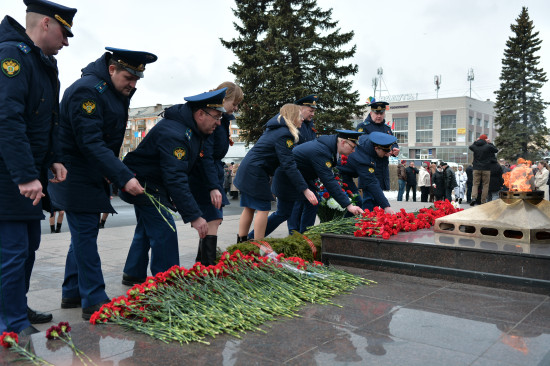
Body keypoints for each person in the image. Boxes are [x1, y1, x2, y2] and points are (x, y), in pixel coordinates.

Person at [48, 47, 157, 320]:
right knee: (85, 235)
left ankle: (72, 292)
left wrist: (110, 170)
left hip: (89, 172)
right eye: (129, 77)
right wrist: (123, 176)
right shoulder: (89, 92)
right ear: (111, 69)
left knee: (83, 235)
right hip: (74, 173)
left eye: (137, 79)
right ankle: (95, 300)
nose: (133, 85)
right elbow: (90, 142)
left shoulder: (111, 90)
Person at [0, 0, 76, 335]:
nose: (67, 41)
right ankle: (9, 322)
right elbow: (7, 119)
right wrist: (25, 175)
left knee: (28, 247)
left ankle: (16, 306)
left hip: (27, 174)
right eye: (64, 31)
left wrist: (54, 158)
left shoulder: (42, 63)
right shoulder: (12, 56)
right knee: (13, 251)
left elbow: (48, 121)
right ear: (46, 23)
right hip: (9, 176)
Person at [120, 88, 227, 281]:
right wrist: (195, 216)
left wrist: (211, 187)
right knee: (164, 230)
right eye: (216, 116)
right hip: (144, 184)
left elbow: (195, 164)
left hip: (153, 182)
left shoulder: (193, 130)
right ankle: (169, 283)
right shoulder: (176, 134)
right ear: (200, 114)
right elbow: (175, 177)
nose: (219, 123)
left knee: (147, 228)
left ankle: (133, 273)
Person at [234, 104, 317, 241]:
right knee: (263, 208)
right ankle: (259, 246)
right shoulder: (285, 134)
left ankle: (242, 242)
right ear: (292, 117)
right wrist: (305, 189)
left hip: (249, 169)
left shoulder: (276, 129)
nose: (302, 119)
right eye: (300, 116)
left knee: (249, 208)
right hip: (256, 172)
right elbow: (288, 164)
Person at [190, 82, 243, 266]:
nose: (236, 108)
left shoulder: (223, 119)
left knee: (214, 220)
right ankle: (207, 268)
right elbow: (206, 156)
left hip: (212, 173)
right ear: (224, 98)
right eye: (234, 103)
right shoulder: (215, 120)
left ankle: (201, 262)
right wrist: (213, 186)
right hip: (206, 176)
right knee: (213, 219)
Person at [271, 129, 364, 223]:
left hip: (302, 178)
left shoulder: (330, 147)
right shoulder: (323, 151)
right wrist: (349, 205)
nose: (353, 151)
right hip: (287, 178)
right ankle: (258, 235)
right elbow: (328, 180)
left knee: (312, 203)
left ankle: (304, 235)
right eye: (352, 147)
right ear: (343, 142)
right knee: (283, 213)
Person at [337, 132, 396, 213]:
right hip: (338, 175)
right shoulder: (364, 160)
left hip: (346, 175)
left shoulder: (368, 141)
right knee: (355, 204)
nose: (386, 155)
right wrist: (386, 206)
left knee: (356, 203)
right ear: (376, 148)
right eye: (385, 153)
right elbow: (372, 182)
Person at [286, 95, 319, 235]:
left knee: (312, 203)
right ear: (300, 108)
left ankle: (306, 233)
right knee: (296, 204)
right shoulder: (293, 124)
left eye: (313, 111)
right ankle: (294, 234)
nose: (312, 113)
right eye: (310, 110)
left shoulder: (310, 125)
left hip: (308, 171)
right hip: (297, 171)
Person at [356, 100, 400, 190]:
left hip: (383, 169)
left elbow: (393, 142)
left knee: (380, 198)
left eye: (381, 113)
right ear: (371, 112)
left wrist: (394, 149)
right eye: (376, 113)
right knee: (369, 199)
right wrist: (382, 150)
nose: (379, 116)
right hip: (369, 168)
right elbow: (361, 144)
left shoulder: (386, 128)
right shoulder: (363, 126)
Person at [469, 134, 498, 205]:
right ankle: (483, 201)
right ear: (486, 139)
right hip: (486, 169)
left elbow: (470, 147)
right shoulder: (488, 146)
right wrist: (490, 143)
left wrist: (476, 141)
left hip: (476, 168)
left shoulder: (475, 146)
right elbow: (496, 150)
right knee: (485, 185)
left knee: (475, 184)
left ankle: (473, 197)